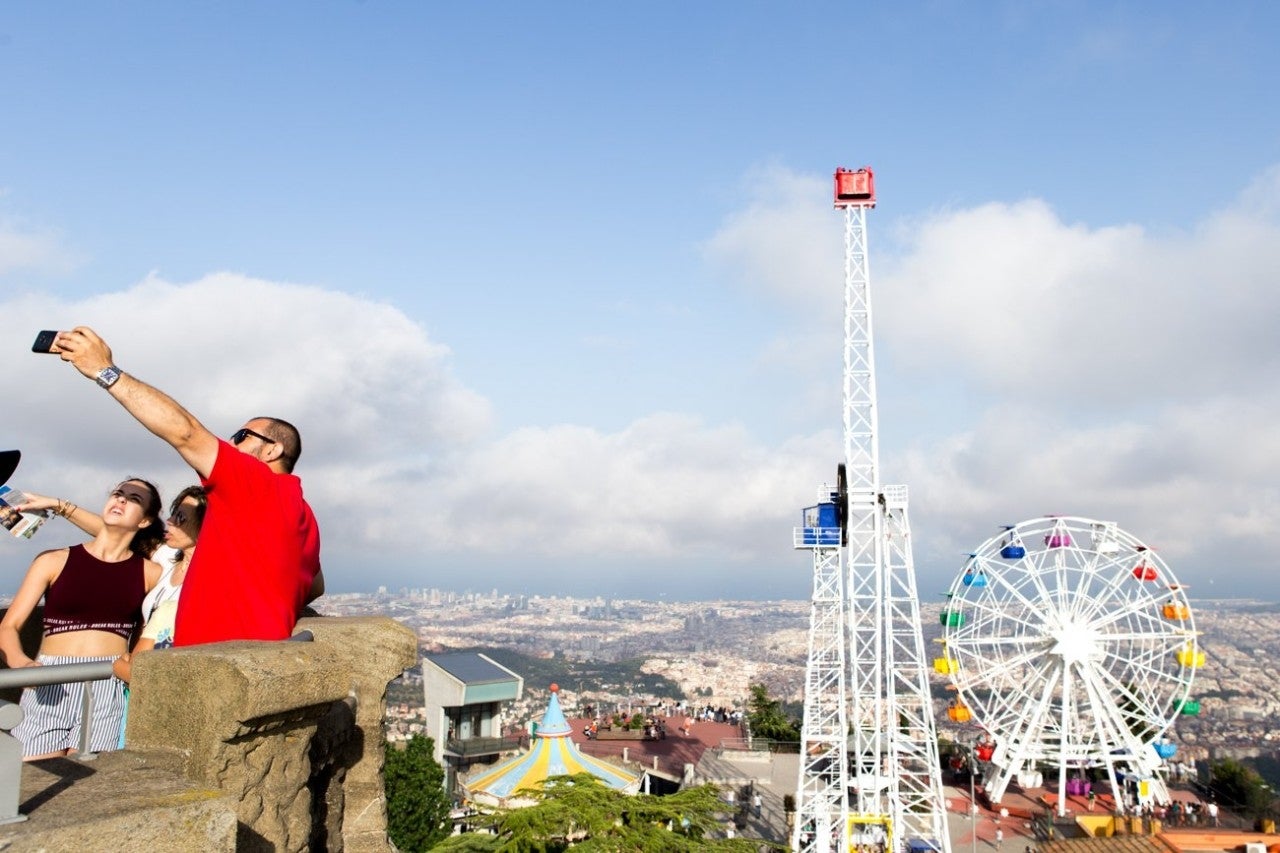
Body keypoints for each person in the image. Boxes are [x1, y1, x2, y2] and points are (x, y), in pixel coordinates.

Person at [49, 327, 323, 645]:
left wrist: (104, 370)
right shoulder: (303, 513)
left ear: (273, 450)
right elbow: (315, 586)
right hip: (256, 666)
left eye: (241, 436)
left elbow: (185, 433)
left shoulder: (257, 484)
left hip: (211, 670)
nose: (231, 443)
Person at [0, 478, 164, 759]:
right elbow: (9, 626)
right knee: (34, 785)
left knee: (89, 787)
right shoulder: (53, 560)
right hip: (49, 681)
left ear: (146, 521)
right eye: (118, 493)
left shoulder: (152, 573)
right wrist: (21, 664)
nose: (121, 500)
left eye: (134, 499)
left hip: (107, 683)